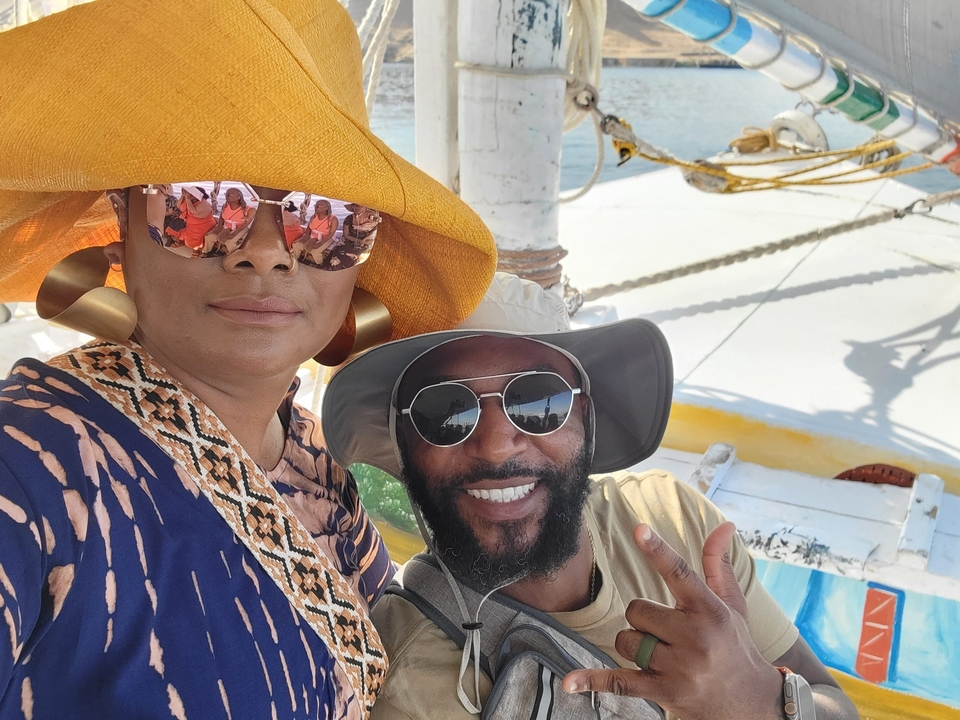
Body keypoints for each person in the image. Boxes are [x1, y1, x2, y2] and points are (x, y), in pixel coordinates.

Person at [0, 0, 497, 717]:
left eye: (322, 216)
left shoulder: (314, 464)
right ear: (121, 234)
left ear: (358, 258)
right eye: (201, 205)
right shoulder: (29, 463)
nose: (266, 250)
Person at [320, 317, 860, 720]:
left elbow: (836, 701)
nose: (495, 443)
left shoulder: (674, 520)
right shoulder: (403, 681)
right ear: (408, 451)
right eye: (445, 411)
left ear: (586, 417)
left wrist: (761, 700)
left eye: (537, 399)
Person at [204, 185, 257, 254]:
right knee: (209, 237)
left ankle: (235, 257)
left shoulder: (250, 210)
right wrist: (219, 226)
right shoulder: (225, 206)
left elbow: (246, 224)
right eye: (226, 194)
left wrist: (234, 233)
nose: (226, 197)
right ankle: (206, 253)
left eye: (229, 195)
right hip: (227, 226)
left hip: (241, 227)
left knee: (230, 242)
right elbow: (221, 217)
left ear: (238, 197)